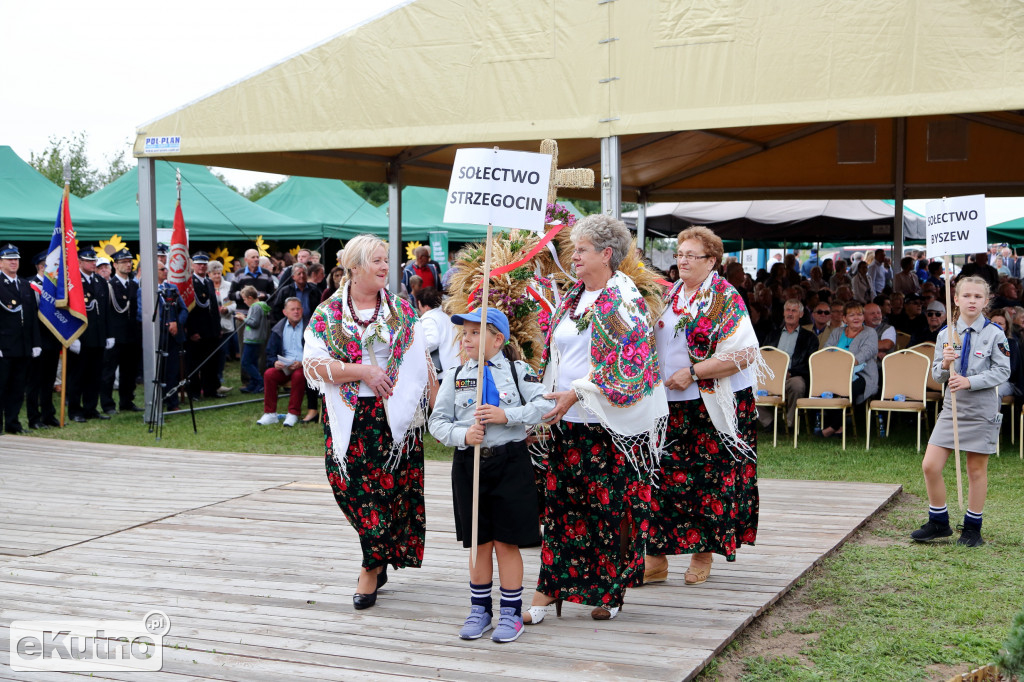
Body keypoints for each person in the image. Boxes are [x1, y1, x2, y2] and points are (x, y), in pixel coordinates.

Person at [524, 215, 667, 624]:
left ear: (607, 254)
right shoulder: (573, 297)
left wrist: (579, 391)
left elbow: (634, 360)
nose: (574, 256)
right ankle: (550, 588)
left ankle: (609, 590)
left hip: (613, 426)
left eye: (582, 249)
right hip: (569, 422)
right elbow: (560, 356)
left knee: (608, 510)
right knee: (563, 507)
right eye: (573, 248)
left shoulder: (624, 301)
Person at [302, 234, 433, 611]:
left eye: (386, 260)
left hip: (396, 417)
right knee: (351, 488)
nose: (384, 267)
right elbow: (312, 364)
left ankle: (371, 565)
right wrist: (363, 371)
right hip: (351, 416)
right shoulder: (327, 313)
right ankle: (376, 552)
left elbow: (422, 361)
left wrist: (439, 410)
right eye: (376, 260)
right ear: (355, 267)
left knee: (391, 491)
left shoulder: (402, 310)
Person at [646, 225, 763, 590]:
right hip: (668, 405)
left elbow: (745, 354)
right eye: (678, 254)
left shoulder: (725, 298)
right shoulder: (668, 295)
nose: (681, 261)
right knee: (660, 478)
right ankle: (656, 558)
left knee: (707, 480)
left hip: (711, 404)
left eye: (690, 255)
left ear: (711, 260)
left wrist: (694, 373)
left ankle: (703, 552)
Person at [428, 309, 553, 643]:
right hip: (470, 465)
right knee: (478, 542)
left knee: (506, 541)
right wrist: (462, 435)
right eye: (464, 333)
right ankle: (479, 610)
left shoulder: (517, 371)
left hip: (510, 463)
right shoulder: (455, 376)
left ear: (497, 339)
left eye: (474, 332)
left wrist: (507, 415)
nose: (466, 339)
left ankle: (511, 613)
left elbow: (544, 405)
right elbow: (437, 422)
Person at [911, 276, 1010, 548]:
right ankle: (939, 521)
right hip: (952, 408)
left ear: (986, 301)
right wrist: (945, 364)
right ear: (955, 299)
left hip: (981, 410)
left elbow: (1003, 371)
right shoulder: (946, 333)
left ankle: (972, 528)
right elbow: (936, 376)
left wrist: (969, 381)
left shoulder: (995, 334)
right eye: (966, 296)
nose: (972, 301)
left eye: (978, 297)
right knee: (930, 465)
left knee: (975, 470)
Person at [67, 249, 114, 423]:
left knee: (95, 375)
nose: (93, 263)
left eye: (94, 260)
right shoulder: (72, 282)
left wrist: (109, 335)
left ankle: (91, 408)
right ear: (79, 262)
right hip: (81, 336)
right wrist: (72, 337)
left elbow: (106, 310)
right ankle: (75, 410)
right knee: (77, 376)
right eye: (88, 260)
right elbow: (68, 311)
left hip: (98, 335)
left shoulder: (100, 281)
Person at [822, 302, 879, 438]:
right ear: (844, 319)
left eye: (859, 314)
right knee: (826, 388)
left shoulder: (870, 333)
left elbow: (865, 353)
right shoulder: (837, 332)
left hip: (862, 375)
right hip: (836, 373)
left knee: (846, 389)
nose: (856, 318)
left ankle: (833, 427)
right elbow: (826, 351)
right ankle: (839, 427)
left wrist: (842, 363)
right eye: (852, 315)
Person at [0, 245, 41, 434]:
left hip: (23, 346)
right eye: (9, 259)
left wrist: (36, 343)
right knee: (2, 386)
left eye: (16, 259)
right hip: (4, 346)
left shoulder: (25, 285)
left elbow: (32, 316)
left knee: (17, 388)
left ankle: (13, 423)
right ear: (1, 262)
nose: (13, 262)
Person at [760, 299, 817, 430]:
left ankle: (790, 423)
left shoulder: (809, 338)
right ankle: (769, 422)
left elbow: (810, 363)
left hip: (793, 376)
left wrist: (791, 373)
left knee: (797, 385)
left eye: (794, 311)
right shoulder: (772, 335)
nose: (790, 314)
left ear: (801, 314)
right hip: (771, 377)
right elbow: (762, 357)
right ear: (783, 313)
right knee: (748, 387)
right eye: (788, 310)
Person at [100, 248, 141, 414]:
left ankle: (126, 401)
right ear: (115, 265)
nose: (128, 265)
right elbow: (106, 313)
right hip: (115, 336)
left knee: (129, 372)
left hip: (132, 335)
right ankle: (108, 404)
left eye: (129, 262)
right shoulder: (109, 286)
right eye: (123, 262)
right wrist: (108, 335)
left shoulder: (133, 284)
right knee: (109, 372)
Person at [256, 298, 307, 427]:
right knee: (269, 374)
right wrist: (275, 363)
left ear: (302, 310)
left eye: (298, 309)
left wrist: (302, 363)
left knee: (298, 375)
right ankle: (270, 414)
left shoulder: (309, 327)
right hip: (285, 366)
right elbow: (270, 353)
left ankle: (293, 414)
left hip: (305, 366)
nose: (296, 312)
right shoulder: (278, 328)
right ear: (285, 312)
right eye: (293, 309)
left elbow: (317, 352)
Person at [26, 251, 61, 429]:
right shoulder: (31, 285)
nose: (56, 268)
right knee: (35, 382)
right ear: (41, 266)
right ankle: (34, 417)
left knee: (49, 380)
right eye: (52, 265)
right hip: (38, 340)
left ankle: (49, 414)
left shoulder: (56, 286)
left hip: (54, 338)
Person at [185, 252, 222, 401]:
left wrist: (217, 328)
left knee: (211, 362)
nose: (201, 266)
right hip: (197, 330)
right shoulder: (190, 283)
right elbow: (188, 310)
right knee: (194, 363)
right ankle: (194, 392)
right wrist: (192, 331)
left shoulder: (208, 282)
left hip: (211, 330)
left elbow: (213, 306)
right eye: (198, 263)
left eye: (204, 264)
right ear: (193, 265)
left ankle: (210, 389)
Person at [155, 263, 188, 411]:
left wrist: (177, 323)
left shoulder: (172, 288)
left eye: (166, 268)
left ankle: (172, 402)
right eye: (162, 269)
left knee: (172, 371)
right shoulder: (146, 289)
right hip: (157, 336)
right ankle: (157, 401)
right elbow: (145, 313)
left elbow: (183, 309)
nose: (165, 271)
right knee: (158, 370)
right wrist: (167, 324)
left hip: (174, 337)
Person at [415, 287, 459, 377]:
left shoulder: (428, 319)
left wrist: (415, 348)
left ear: (426, 306)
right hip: (453, 366)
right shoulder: (445, 317)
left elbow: (432, 341)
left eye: (419, 303)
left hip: (441, 371)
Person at [236, 286, 271, 394]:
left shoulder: (255, 307)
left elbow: (254, 323)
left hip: (252, 339)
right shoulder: (261, 305)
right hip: (257, 338)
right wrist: (246, 316)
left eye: (245, 299)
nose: (244, 301)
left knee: (246, 362)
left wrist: (243, 318)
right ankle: (253, 384)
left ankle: (260, 382)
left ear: (250, 297)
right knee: (253, 362)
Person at [209, 260, 236, 392]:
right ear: (209, 274)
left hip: (226, 325)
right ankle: (212, 380)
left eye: (219, 273)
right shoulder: (207, 286)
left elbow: (233, 303)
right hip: (211, 326)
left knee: (222, 353)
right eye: (214, 273)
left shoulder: (229, 286)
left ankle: (219, 377)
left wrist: (227, 309)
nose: (217, 276)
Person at [988, 309, 1024, 400]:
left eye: (1000, 323)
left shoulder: (1011, 343)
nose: (996, 325)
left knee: (995, 392)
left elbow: (1012, 370)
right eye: (994, 323)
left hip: (1005, 382)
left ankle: (995, 414)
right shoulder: (982, 342)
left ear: (1006, 327)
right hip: (985, 380)